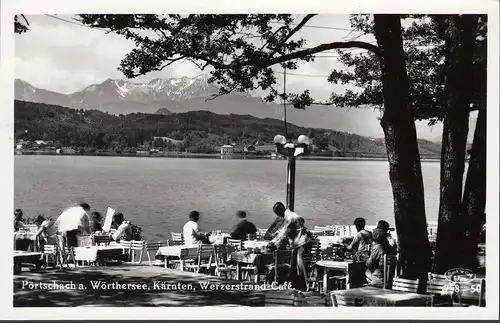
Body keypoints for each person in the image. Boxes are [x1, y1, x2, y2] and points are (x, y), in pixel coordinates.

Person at [267, 203, 313, 291]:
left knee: (300, 265)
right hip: (299, 243)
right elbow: (283, 232)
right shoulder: (289, 216)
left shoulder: (289, 217)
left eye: (277, 213)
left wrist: (273, 243)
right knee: (294, 265)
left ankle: (301, 287)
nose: (277, 215)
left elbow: (284, 234)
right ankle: (297, 286)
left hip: (302, 243)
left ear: (279, 211)